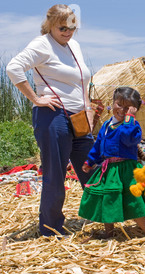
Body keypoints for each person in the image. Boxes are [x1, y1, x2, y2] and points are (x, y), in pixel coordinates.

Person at [6, 5, 94, 237]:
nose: (68, 32)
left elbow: (81, 80)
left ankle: (104, 216)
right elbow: (13, 68)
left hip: (78, 117)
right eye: (62, 27)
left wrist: (88, 108)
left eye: (72, 27)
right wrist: (35, 98)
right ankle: (50, 228)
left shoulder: (73, 45)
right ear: (50, 25)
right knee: (56, 173)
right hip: (53, 116)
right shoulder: (42, 44)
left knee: (92, 167)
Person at [78, 87, 145, 238]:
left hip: (127, 169)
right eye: (119, 104)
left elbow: (128, 138)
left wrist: (130, 119)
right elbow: (98, 146)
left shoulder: (133, 126)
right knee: (108, 197)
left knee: (133, 199)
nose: (122, 110)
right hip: (109, 169)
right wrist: (90, 161)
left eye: (127, 108)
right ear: (113, 103)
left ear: (134, 110)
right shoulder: (106, 125)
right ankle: (108, 231)